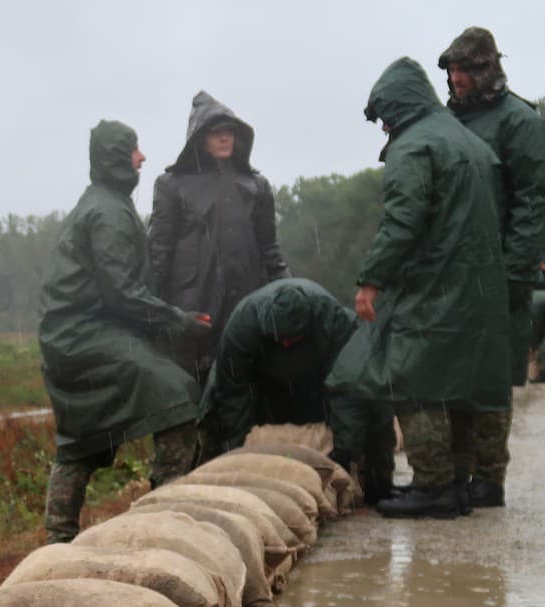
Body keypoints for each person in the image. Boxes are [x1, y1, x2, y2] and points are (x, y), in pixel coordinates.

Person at [335, 57, 511, 520]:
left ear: (397, 107)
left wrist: (371, 280)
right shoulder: (469, 141)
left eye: (385, 116)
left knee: (414, 378)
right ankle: (457, 483)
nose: (385, 126)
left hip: (435, 280)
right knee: (461, 381)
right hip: (479, 281)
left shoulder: (414, 147)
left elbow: (403, 220)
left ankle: (432, 487)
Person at [38, 119, 211, 543]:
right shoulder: (108, 213)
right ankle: (164, 517)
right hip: (85, 336)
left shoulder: (105, 203)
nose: (143, 157)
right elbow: (121, 292)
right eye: (135, 149)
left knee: (81, 439)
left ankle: (57, 541)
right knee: (178, 397)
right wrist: (177, 320)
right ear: (118, 156)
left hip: (71, 338)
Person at [439, 27, 545, 504]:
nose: (456, 79)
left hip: (500, 268)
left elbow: (533, 200)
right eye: (451, 70)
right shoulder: (447, 121)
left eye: (464, 69)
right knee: (451, 372)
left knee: (491, 375)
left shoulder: (520, 121)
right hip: (450, 272)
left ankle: (489, 478)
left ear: (486, 70)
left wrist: (515, 271)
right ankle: (457, 472)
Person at [199, 277, 395, 503]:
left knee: (376, 400)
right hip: (266, 390)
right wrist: (236, 454)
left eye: (293, 340)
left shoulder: (333, 322)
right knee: (214, 410)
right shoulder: (242, 325)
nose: (285, 345)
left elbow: (348, 392)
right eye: (280, 340)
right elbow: (233, 395)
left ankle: (380, 488)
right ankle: (214, 485)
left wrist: (340, 457)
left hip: (318, 386)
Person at [149, 91, 291, 383]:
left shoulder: (256, 185)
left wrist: (291, 297)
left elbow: (270, 251)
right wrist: (154, 311)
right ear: (200, 137)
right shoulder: (171, 185)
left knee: (245, 389)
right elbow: (158, 253)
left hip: (246, 305)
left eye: (229, 131)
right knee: (191, 393)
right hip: (193, 309)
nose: (225, 138)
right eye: (216, 132)